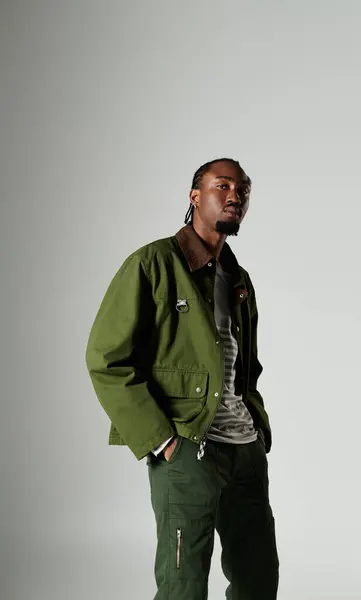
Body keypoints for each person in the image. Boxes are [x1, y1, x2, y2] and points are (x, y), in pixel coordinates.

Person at [85, 158, 279, 599]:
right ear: (195, 196)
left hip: (245, 453)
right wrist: (162, 440)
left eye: (243, 189)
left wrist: (258, 430)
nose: (235, 196)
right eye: (223, 185)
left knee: (258, 581)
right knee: (184, 586)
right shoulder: (153, 264)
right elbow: (105, 358)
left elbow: (245, 370)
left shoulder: (238, 278)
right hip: (190, 450)